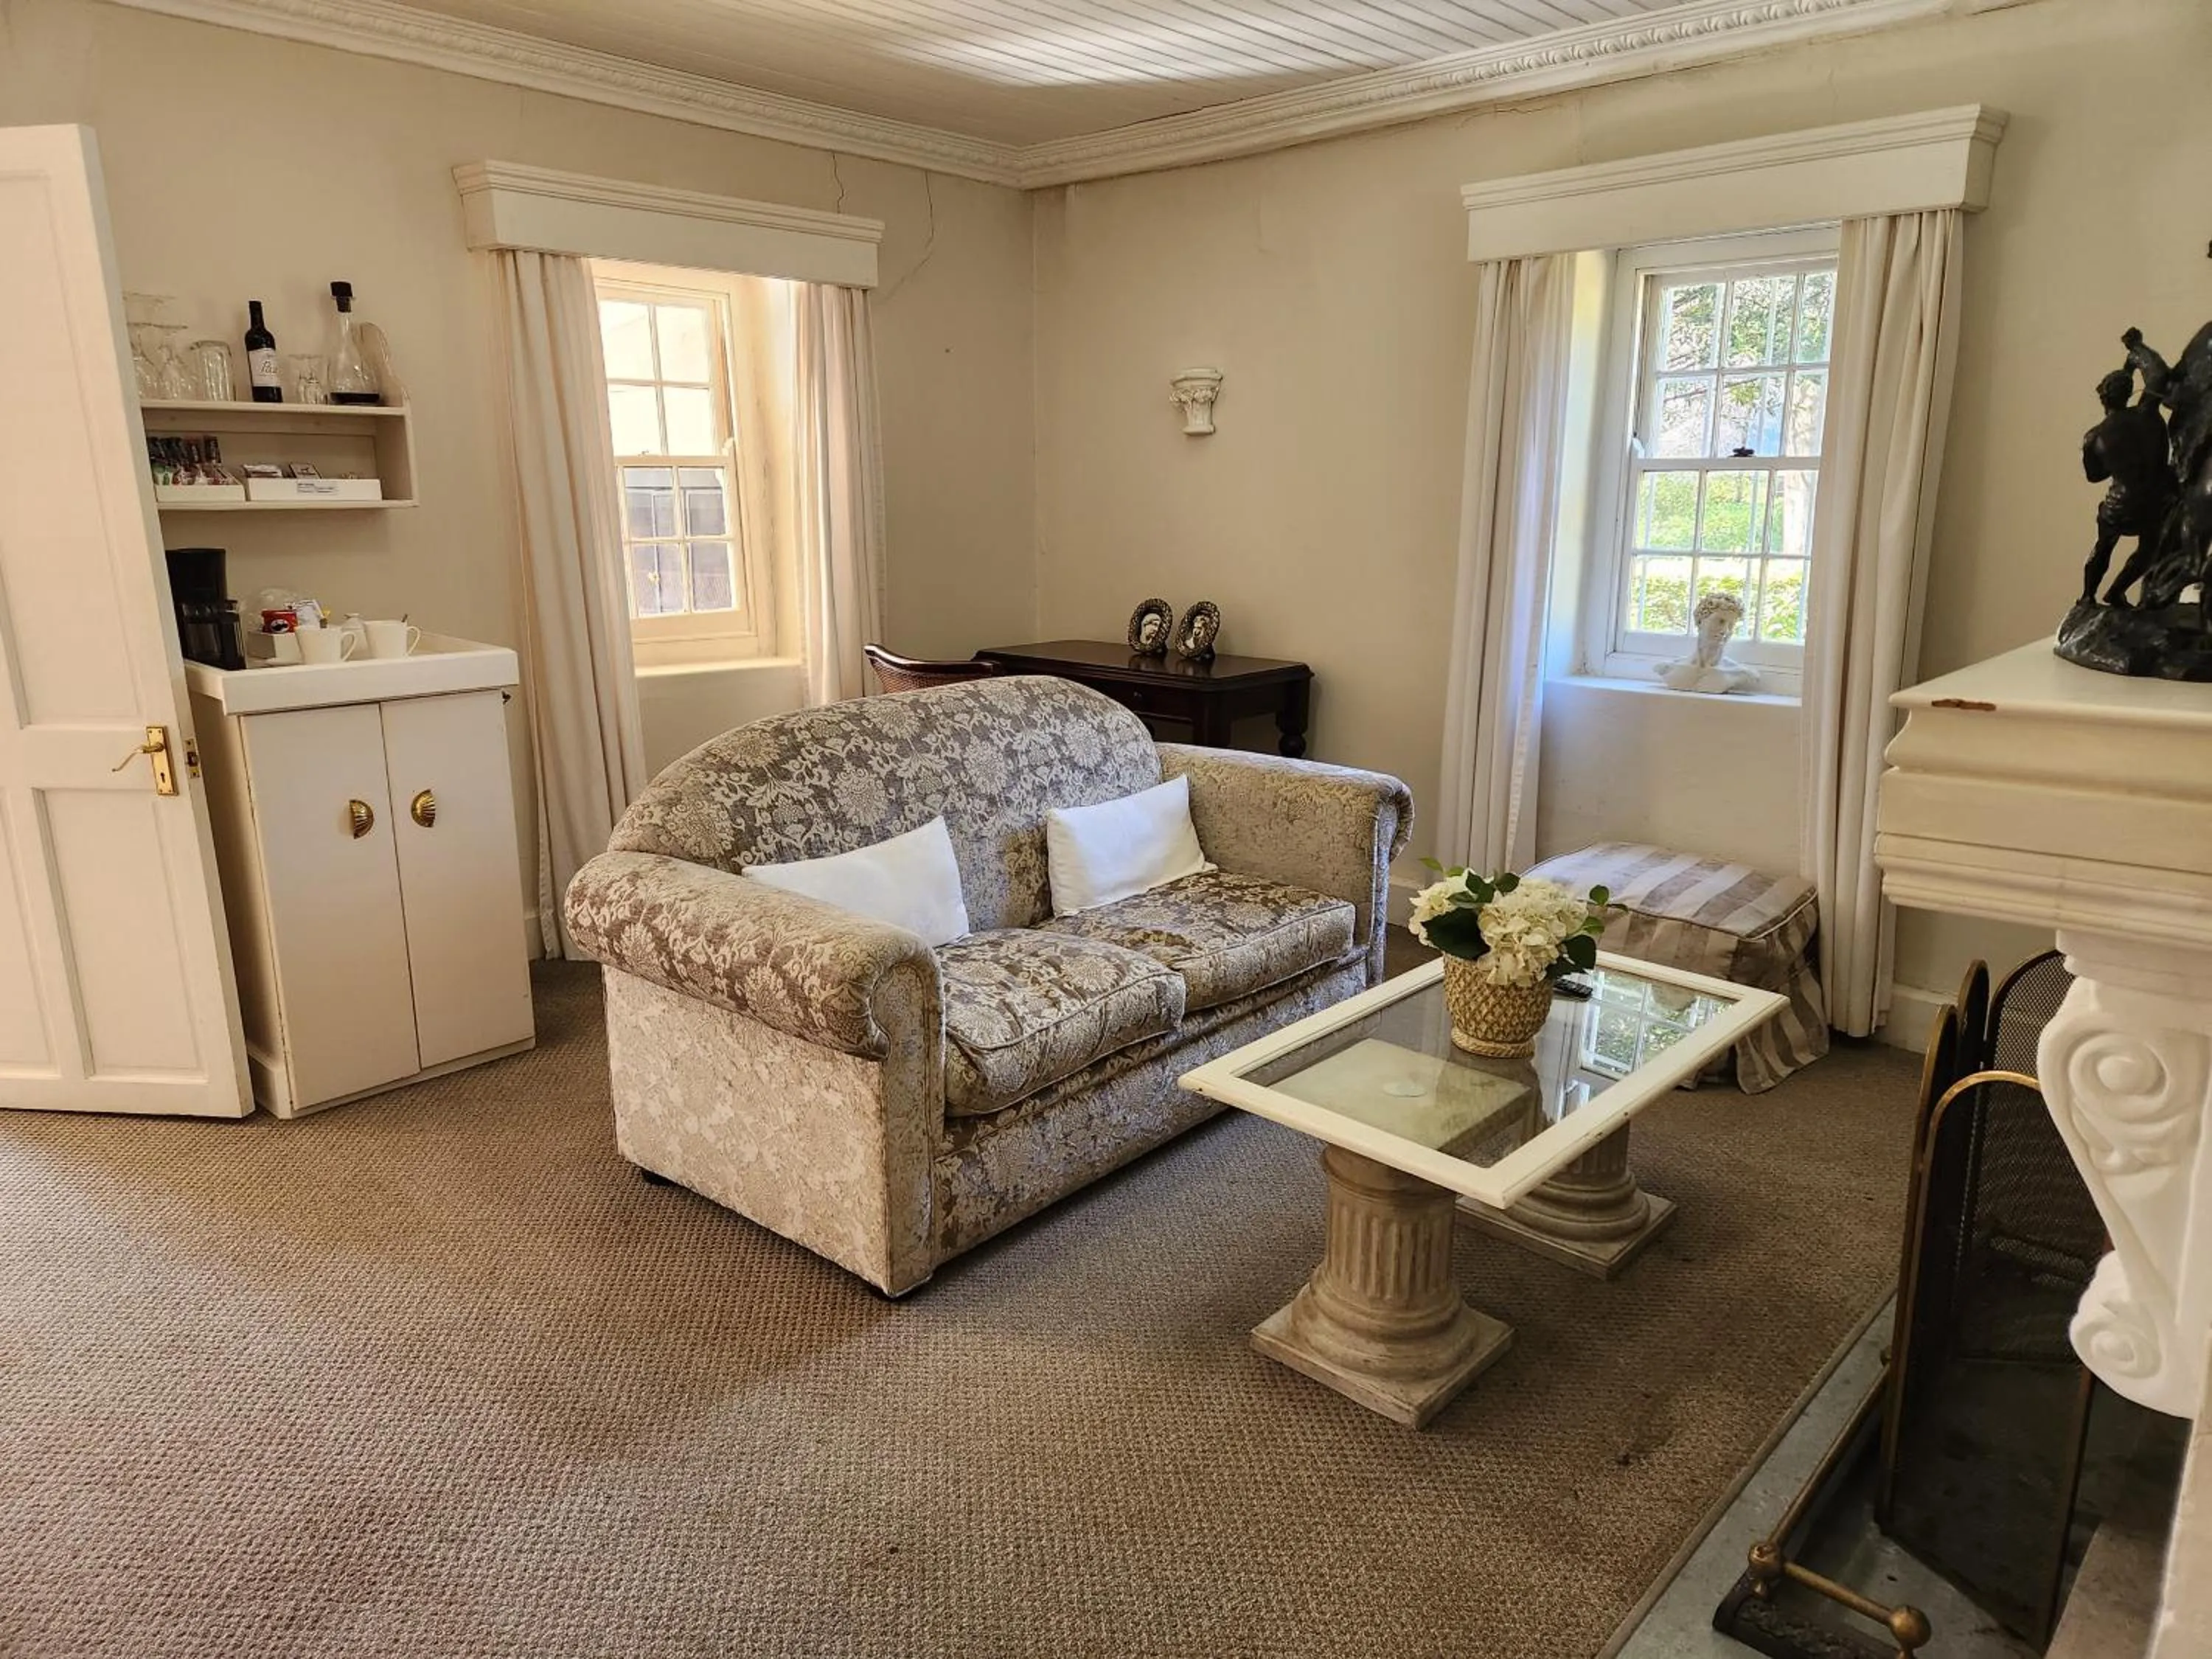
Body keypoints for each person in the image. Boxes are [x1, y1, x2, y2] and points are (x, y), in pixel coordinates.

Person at [2080, 361, 2177, 608]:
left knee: (2104, 547)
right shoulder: (2147, 413)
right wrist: (2135, 355)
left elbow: (2094, 475)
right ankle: (2117, 591)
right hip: (2153, 505)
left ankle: (2088, 596)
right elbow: (2158, 374)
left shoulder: (2095, 436)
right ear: (2129, 393)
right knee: (2149, 550)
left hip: (2120, 507)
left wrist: (2116, 463)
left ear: (2103, 398)